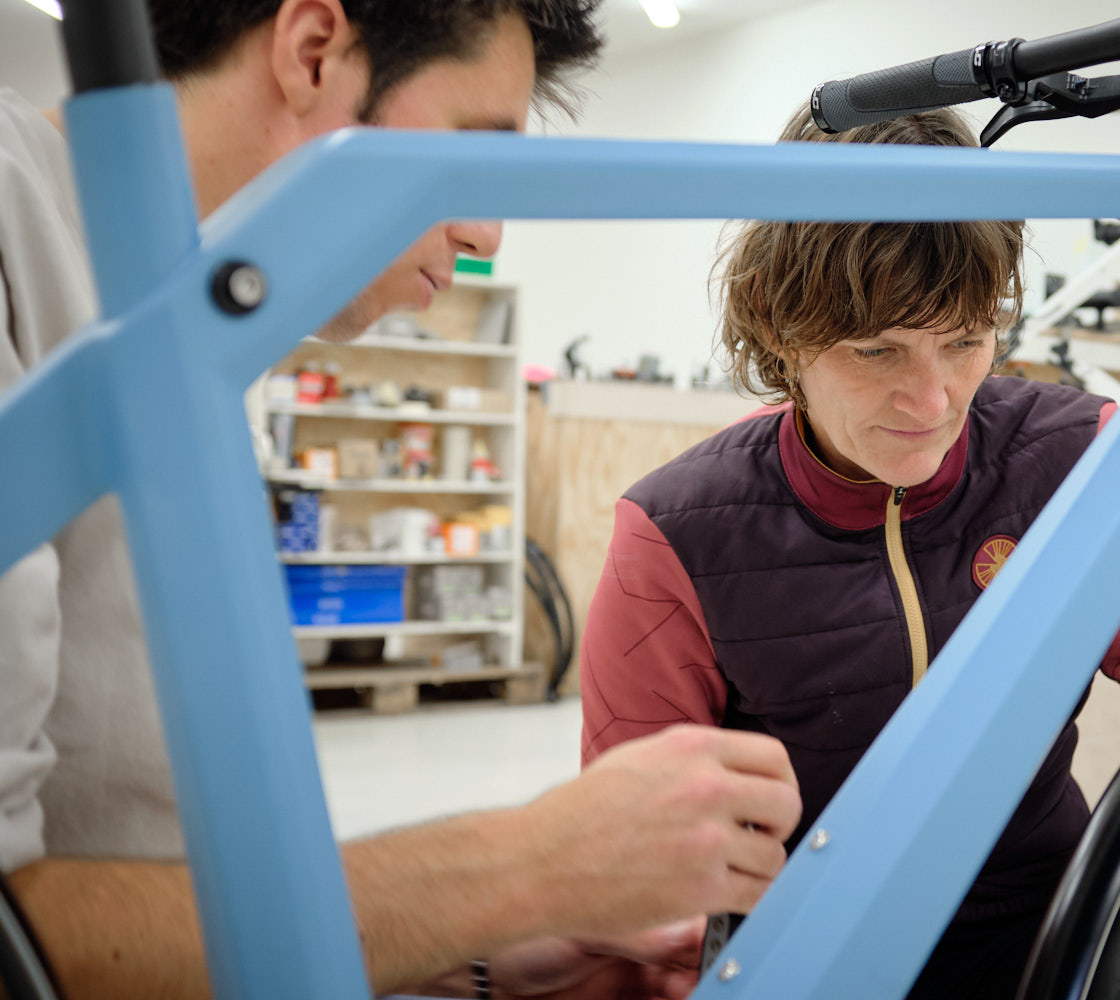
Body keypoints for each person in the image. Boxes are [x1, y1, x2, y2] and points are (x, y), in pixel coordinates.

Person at [0, 2, 801, 997]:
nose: (484, 235)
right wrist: (520, 868)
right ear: (314, 51)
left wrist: (465, 950)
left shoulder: (182, 332)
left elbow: (143, 844)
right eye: (473, 163)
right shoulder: (12, 234)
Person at [579, 106, 1120, 997]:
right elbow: (629, 884)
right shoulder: (674, 534)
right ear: (778, 325)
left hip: (1060, 931)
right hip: (819, 962)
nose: (930, 399)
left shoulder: (1083, 456)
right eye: (874, 348)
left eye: (964, 340)